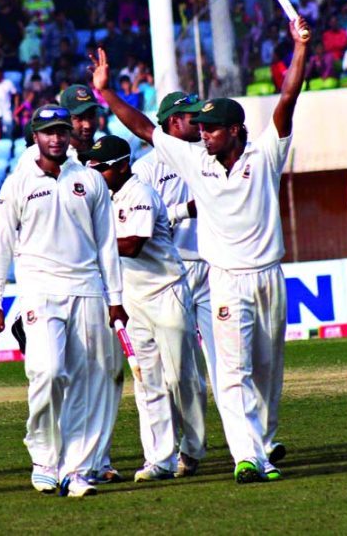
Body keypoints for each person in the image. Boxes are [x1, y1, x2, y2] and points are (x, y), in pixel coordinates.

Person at [89, 16, 310, 483]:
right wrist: (107, 95)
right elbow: (147, 130)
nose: (203, 134)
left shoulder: (265, 156)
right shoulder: (195, 159)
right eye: (201, 127)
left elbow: (288, 99)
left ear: (234, 130)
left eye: (212, 128)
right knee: (231, 372)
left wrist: (299, 47)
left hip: (269, 275)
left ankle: (263, 446)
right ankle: (246, 457)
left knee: (268, 373)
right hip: (224, 278)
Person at [0, 105, 127, 498]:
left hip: (87, 290)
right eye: (49, 132)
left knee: (85, 382)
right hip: (39, 291)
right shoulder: (18, 182)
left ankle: (75, 470)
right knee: (47, 372)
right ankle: (44, 458)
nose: (57, 138)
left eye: (62, 131)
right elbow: (1, 243)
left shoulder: (89, 180)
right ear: (35, 135)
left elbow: (106, 245)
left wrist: (115, 299)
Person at [83, 135, 208, 482]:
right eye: (91, 167)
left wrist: (83, 243)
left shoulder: (140, 193)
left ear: (123, 166)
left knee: (180, 377)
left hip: (167, 292)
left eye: (101, 168)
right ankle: (160, 459)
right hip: (133, 301)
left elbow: (134, 245)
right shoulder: (102, 197)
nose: (95, 172)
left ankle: (194, 447)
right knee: (146, 379)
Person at [132, 92, 217, 472]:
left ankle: (253, 442)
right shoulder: (147, 168)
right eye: (188, 117)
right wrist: (186, 211)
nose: (197, 123)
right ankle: (164, 455)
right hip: (170, 271)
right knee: (167, 373)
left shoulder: (208, 155)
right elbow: (146, 220)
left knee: (224, 361)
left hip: (214, 266)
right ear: (169, 122)